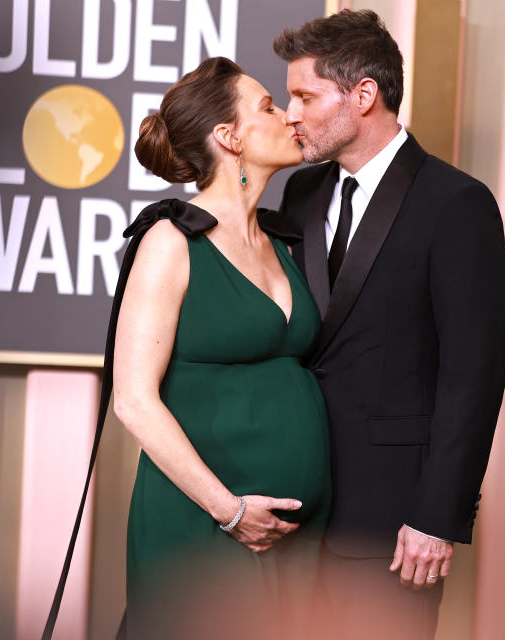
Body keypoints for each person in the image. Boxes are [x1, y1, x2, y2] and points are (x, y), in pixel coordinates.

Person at [273, 10, 505, 640]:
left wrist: (438, 516)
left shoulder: (456, 204)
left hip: (393, 519)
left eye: (304, 96)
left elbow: (474, 375)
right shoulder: (300, 195)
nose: (290, 113)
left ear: (364, 94)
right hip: (295, 508)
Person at [112, 56, 331, 639]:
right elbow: (132, 399)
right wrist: (228, 510)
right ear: (229, 137)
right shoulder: (169, 241)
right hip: (205, 525)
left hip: (292, 536)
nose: (288, 117)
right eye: (268, 107)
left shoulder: (284, 239)